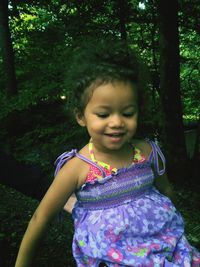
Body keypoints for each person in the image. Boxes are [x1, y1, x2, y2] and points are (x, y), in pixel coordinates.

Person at [15, 37, 200, 267]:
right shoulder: (77, 168)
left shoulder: (146, 152)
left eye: (128, 113)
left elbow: (166, 190)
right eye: (103, 114)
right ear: (81, 116)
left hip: (167, 251)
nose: (117, 122)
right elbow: (41, 217)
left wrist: (176, 232)